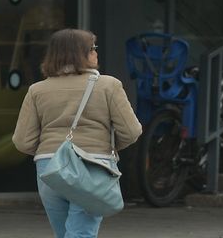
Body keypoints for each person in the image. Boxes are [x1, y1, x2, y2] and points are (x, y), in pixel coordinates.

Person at [12, 29, 142, 238]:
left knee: (65, 234)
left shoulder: (37, 90)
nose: (96, 53)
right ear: (81, 53)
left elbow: (21, 141)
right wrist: (108, 147)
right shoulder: (109, 85)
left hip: (49, 168)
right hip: (93, 165)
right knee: (81, 234)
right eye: (93, 48)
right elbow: (132, 131)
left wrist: (51, 148)